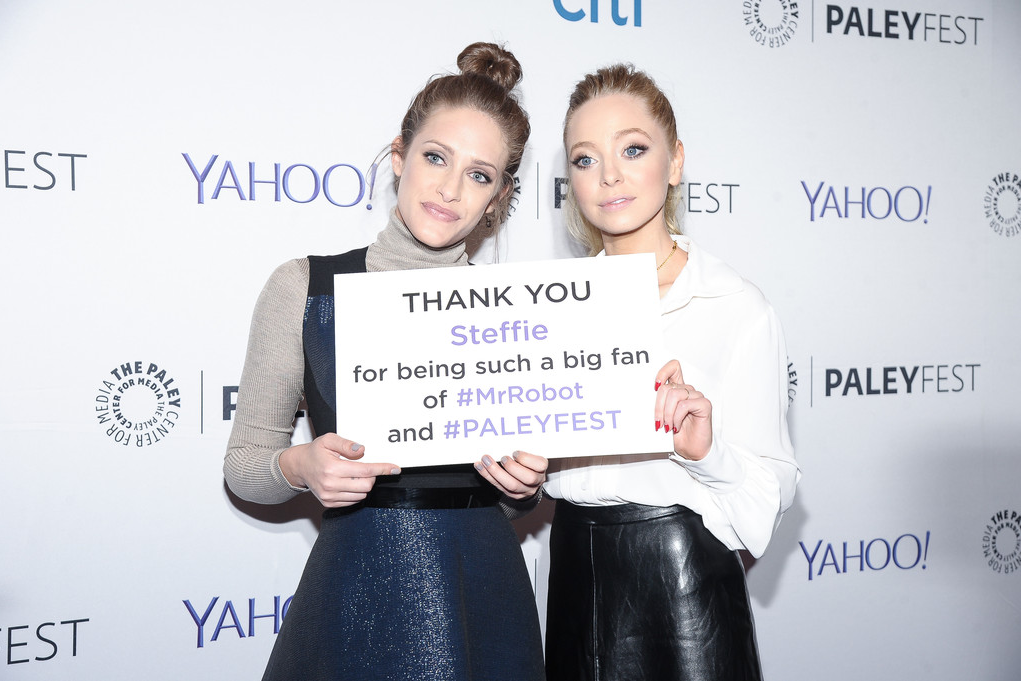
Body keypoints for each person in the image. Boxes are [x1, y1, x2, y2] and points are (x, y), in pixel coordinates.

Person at [224, 42, 547, 681]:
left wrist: (521, 488)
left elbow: (505, 500)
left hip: (484, 590)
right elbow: (244, 469)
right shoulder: (304, 287)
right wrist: (298, 465)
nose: (451, 189)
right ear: (399, 156)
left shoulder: (514, 313)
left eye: (480, 175)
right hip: (356, 593)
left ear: (499, 197)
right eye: (435, 157)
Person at [543, 64, 801, 681]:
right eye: (585, 159)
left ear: (676, 161)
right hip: (572, 577)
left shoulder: (734, 305)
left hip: (684, 588)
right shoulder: (547, 309)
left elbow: (770, 493)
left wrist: (704, 450)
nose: (609, 176)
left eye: (633, 149)